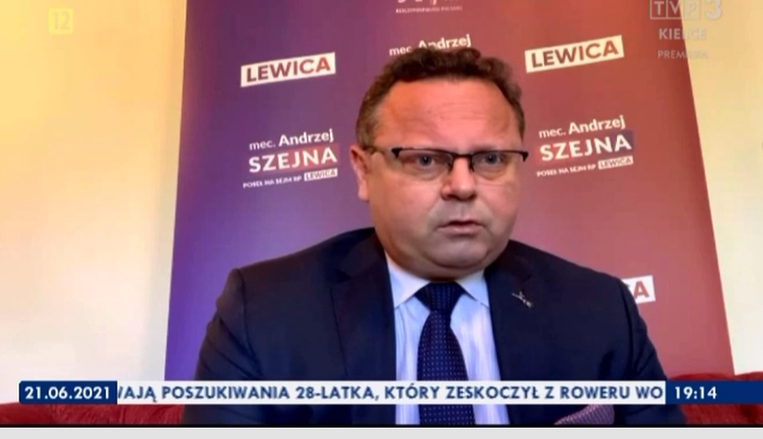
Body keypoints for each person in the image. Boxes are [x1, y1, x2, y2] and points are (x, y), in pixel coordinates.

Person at [181, 47, 685, 425]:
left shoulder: (599, 310)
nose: (463, 186)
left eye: (491, 159)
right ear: (363, 170)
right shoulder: (265, 313)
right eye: (425, 159)